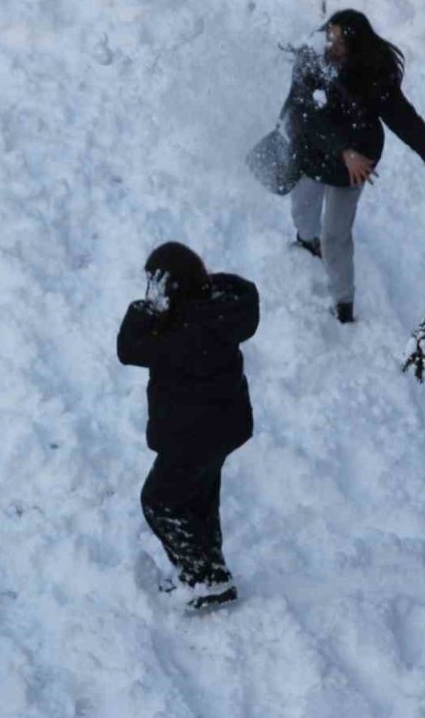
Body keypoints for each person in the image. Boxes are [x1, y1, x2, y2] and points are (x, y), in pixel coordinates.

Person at [285, 9, 425, 323]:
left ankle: (343, 303)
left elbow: (405, 120)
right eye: (330, 35)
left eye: (339, 40)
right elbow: (306, 116)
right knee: (303, 208)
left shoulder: (372, 73)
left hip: (355, 164)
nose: (331, 44)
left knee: (336, 236)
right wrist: (342, 150)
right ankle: (306, 241)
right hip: (314, 152)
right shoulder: (311, 59)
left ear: (355, 47)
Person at [117, 242, 259, 610]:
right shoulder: (218, 310)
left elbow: (128, 348)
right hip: (222, 428)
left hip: (193, 435)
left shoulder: (184, 331)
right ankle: (210, 572)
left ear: (171, 287)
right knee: (198, 501)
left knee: (159, 501)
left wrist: (149, 307)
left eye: (156, 284)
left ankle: (208, 580)